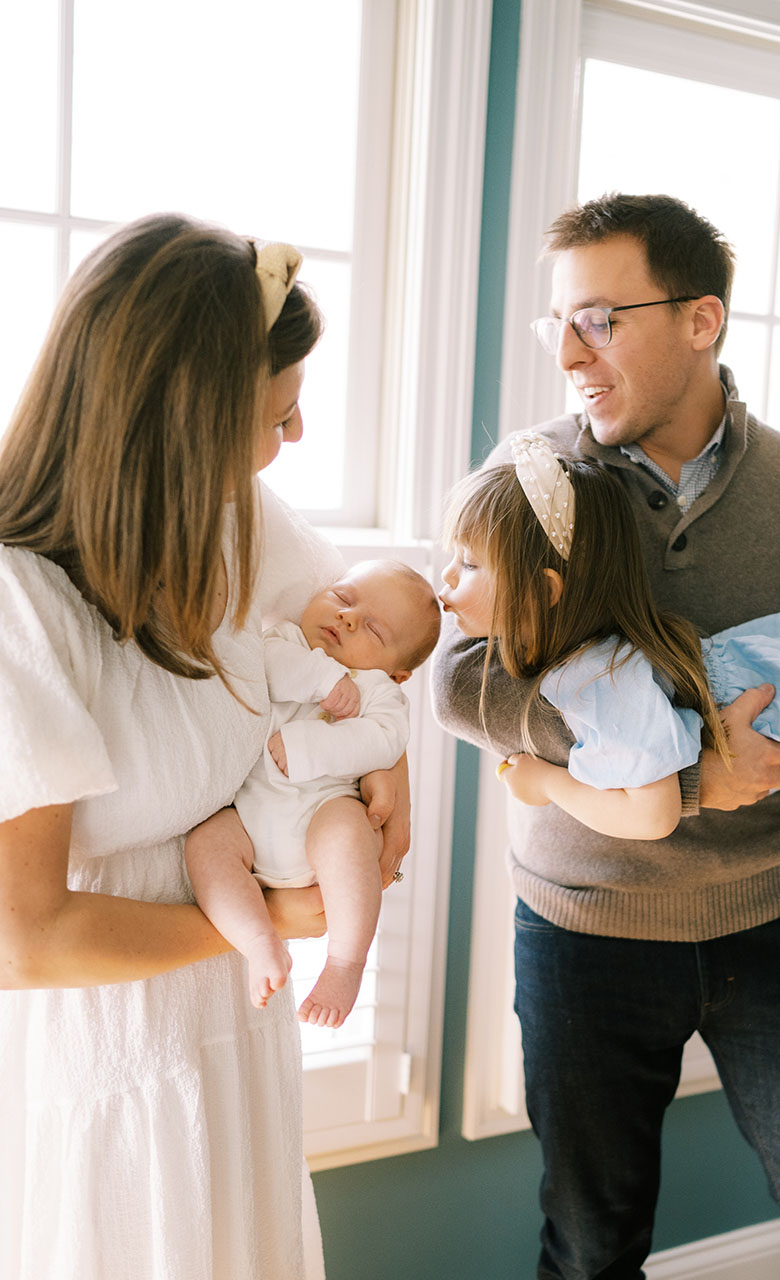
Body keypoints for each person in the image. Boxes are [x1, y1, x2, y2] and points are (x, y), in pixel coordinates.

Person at [430, 193, 780, 1278]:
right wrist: (684, 766)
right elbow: (462, 677)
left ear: (702, 320)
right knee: (590, 1245)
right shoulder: (529, 484)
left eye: (601, 319)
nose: (568, 351)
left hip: (777, 920)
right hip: (583, 928)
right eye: (556, 323)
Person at [0, 213, 409, 1280]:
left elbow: (361, 645)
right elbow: (23, 937)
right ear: (185, 423)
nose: (300, 435)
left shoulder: (239, 522)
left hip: (234, 1033)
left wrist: (383, 768)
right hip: (107, 1057)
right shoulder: (20, 604)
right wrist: (266, 919)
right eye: (279, 413)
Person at [440, 430, 780, 843]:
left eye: (470, 563)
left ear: (545, 591)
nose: (447, 575)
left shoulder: (596, 679)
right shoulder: (598, 667)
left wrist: (545, 782)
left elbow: (653, 816)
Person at [186, 558, 440, 1025]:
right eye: (343, 598)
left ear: (398, 672)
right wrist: (324, 678)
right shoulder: (284, 641)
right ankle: (261, 942)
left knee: (348, 831)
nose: (347, 617)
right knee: (205, 845)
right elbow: (265, 669)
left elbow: (385, 740)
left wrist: (309, 747)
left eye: (374, 630)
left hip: (322, 811)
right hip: (248, 815)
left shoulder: (381, 692)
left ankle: (345, 961)